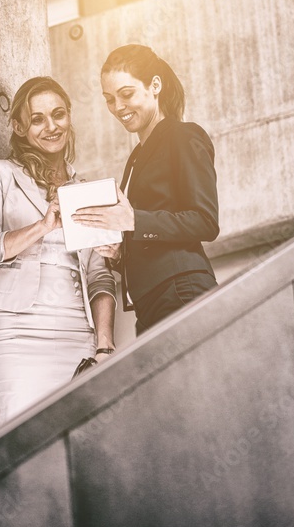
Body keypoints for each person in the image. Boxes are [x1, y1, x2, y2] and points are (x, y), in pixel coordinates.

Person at [0, 76, 117, 426]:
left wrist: (104, 346)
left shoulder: (88, 190)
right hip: (15, 332)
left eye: (58, 114)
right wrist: (43, 226)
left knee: (85, 442)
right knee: (24, 441)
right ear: (19, 127)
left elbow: (99, 276)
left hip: (77, 331)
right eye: (37, 119)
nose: (51, 126)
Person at [72, 44, 218, 335]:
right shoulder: (136, 157)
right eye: (109, 99)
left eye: (126, 94)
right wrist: (119, 253)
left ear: (155, 85)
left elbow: (205, 221)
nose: (118, 107)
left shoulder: (182, 136)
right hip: (150, 301)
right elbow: (149, 232)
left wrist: (134, 221)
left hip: (181, 290)